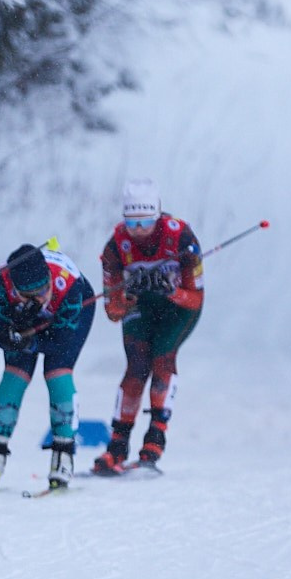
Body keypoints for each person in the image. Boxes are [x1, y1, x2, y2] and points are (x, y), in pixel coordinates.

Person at [95, 179, 203, 475]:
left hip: (177, 310)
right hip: (141, 307)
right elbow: (113, 311)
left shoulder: (181, 237)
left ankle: (154, 440)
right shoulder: (116, 247)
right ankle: (116, 446)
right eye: (132, 223)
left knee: (162, 359)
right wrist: (129, 295)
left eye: (146, 222)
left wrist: (170, 291)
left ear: (158, 217)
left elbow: (195, 299)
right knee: (136, 366)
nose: (139, 230)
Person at [0, 241, 96, 490]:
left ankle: (63, 457)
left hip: (73, 310)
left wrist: (29, 340)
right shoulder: (0, 284)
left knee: (57, 373)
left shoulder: (68, 283)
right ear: (16, 290)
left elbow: (61, 342)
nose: (40, 298)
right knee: (14, 377)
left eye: (43, 290)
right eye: (30, 296)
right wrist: (15, 334)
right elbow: (0, 335)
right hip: (30, 325)